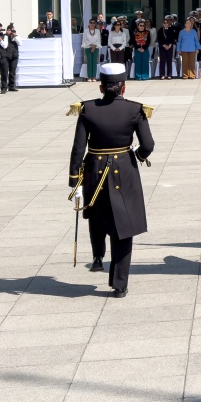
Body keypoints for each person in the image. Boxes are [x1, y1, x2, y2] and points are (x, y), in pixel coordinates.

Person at [68, 63, 154, 297]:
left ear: (101, 87)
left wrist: (74, 180)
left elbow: (78, 149)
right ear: (123, 87)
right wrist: (138, 155)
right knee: (124, 225)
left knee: (97, 214)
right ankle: (119, 284)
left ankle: (98, 255)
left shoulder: (87, 109)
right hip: (124, 169)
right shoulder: (135, 109)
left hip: (94, 169)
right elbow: (148, 145)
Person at [4, 25, 20, 92]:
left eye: (13, 30)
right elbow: (4, 45)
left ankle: (11, 86)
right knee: (5, 72)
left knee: (12, 72)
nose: (11, 32)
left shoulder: (16, 36)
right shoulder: (5, 36)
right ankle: (4, 86)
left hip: (14, 56)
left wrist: (15, 36)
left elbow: (20, 43)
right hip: (6, 56)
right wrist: (7, 35)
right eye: (10, 30)